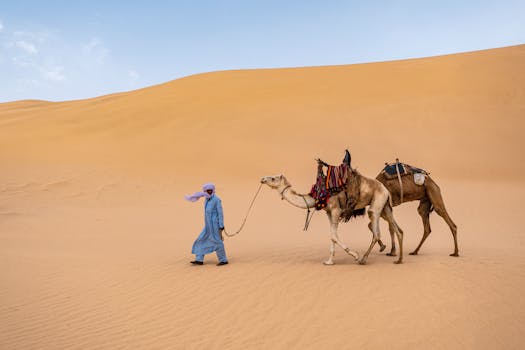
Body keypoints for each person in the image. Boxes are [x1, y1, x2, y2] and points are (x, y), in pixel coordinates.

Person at [185, 183, 229, 266]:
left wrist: (221, 226)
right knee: (201, 239)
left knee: (217, 242)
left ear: (213, 190)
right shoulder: (206, 199)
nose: (209, 192)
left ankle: (223, 260)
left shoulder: (216, 200)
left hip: (215, 226)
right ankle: (199, 259)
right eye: (207, 191)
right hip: (208, 226)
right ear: (204, 191)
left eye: (210, 190)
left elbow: (220, 213)